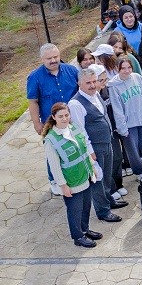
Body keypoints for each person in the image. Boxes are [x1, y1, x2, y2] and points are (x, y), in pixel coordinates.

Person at [67, 65, 124, 223]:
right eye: (88, 83)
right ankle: (103, 211)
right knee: (98, 179)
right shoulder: (76, 104)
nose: (92, 85)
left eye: (94, 81)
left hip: (107, 143)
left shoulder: (97, 95)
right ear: (80, 84)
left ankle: (109, 201)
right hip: (95, 148)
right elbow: (80, 132)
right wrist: (90, 153)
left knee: (107, 176)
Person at [43, 102, 101, 248]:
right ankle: (78, 236)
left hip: (85, 174)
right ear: (54, 117)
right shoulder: (51, 140)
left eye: (67, 115)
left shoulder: (73, 128)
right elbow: (54, 166)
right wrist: (63, 185)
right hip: (71, 180)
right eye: (61, 116)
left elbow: (84, 150)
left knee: (86, 205)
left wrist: (92, 168)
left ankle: (85, 229)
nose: (65, 119)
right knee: (75, 210)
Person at [107, 57, 142, 176]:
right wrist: (122, 127)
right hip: (129, 123)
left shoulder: (138, 77)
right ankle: (139, 172)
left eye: (129, 67)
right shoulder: (113, 86)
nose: (127, 71)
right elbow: (117, 109)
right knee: (133, 151)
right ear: (117, 69)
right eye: (123, 68)